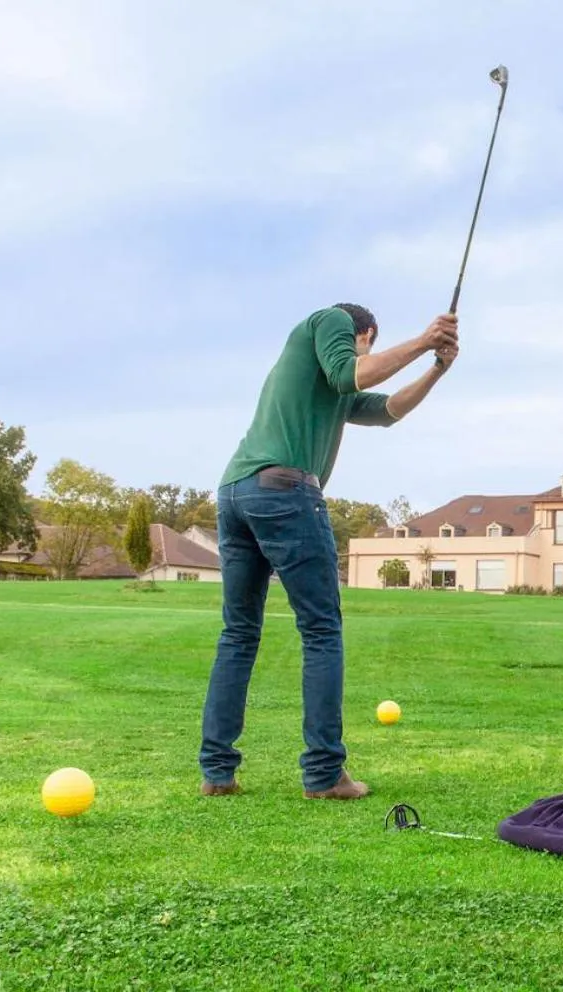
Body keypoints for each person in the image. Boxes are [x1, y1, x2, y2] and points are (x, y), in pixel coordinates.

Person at [198, 302, 457, 800]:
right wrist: (425, 340)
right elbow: (351, 373)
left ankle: (217, 773)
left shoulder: (326, 386)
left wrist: (436, 370)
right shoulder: (331, 321)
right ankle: (323, 775)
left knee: (238, 634)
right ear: (367, 334)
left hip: (236, 493)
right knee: (320, 630)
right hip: (284, 492)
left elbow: (389, 411)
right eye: (370, 346)